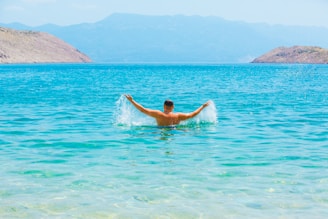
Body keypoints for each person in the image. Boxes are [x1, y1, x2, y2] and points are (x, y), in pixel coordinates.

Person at [125, 94, 211, 126]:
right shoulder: (178, 116)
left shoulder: (158, 114)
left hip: (161, 131)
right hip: (174, 131)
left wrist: (132, 100)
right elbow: (193, 114)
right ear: (173, 107)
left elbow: (142, 110)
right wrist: (203, 106)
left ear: (164, 106)